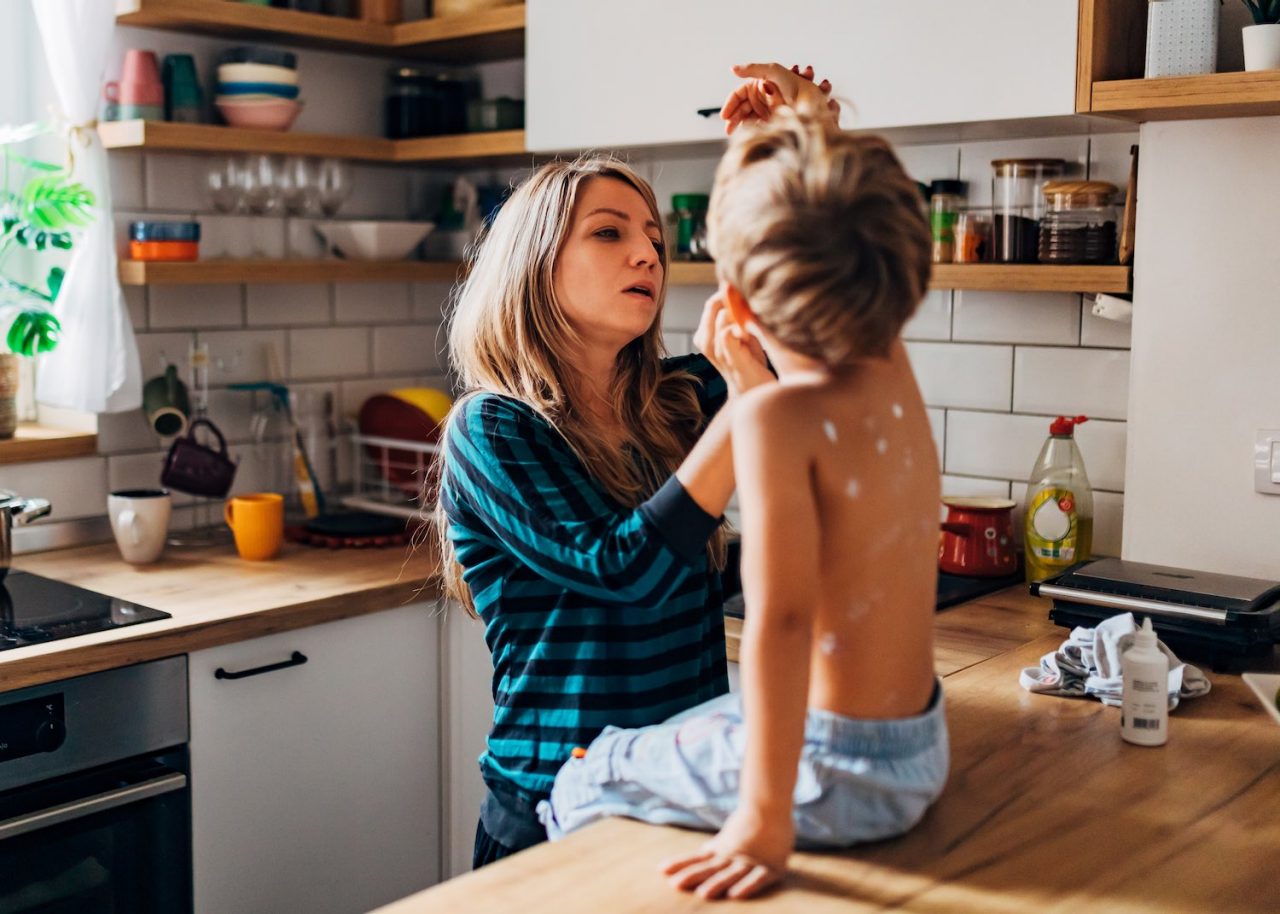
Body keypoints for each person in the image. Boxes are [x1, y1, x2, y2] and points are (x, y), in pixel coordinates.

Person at [537, 89, 945, 900]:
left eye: (656, 237)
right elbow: (840, 226)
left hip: (827, 773)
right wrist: (799, 131)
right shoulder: (893, 375)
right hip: (919, 749)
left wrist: (763, 818)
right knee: (678, 737)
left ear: (743, 303)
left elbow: (781, 625)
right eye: (616, 234)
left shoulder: (774, 417)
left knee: (585, 777)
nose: (648, 255)